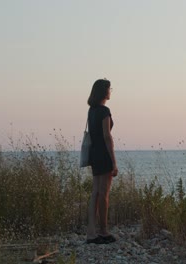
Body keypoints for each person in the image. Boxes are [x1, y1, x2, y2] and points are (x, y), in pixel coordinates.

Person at [86, 79, 118, 244]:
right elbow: (107, 136)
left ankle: (91, 233)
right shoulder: (105, 111)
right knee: (103, 194)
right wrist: (113, 161)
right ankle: (104, 231)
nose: (110, 91)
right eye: (109, 89)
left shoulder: (91, 110)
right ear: (104, 92)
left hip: (93, 154)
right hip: (103, 154)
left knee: (95, 193)